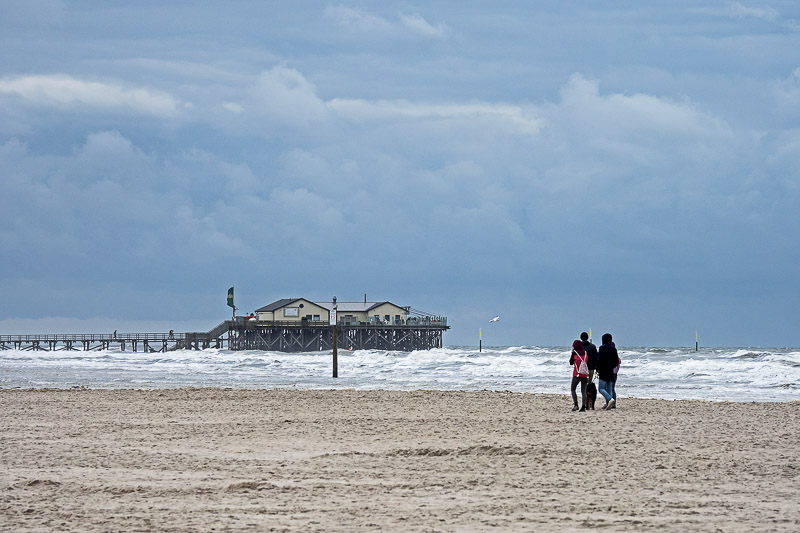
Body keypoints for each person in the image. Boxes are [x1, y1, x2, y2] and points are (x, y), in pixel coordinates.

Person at [596, 333, 618, 410]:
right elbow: (616, 361)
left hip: (603, 370)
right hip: (610, 371)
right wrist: (611, 366)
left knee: (601, 388)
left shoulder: (602, 348)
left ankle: (610, 399)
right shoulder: (614, 349)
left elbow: (599, 359)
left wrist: (597, 368)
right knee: (609, 389)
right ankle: (609, 404)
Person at [569, 339, 590, 411]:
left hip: (577, 374)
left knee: (573, 389)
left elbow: (571, 362)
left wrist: (572, 354)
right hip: (585, 374)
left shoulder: (574, 353)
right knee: (583, 391)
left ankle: (576, 405)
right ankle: (583, 406)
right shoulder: (585, 353)